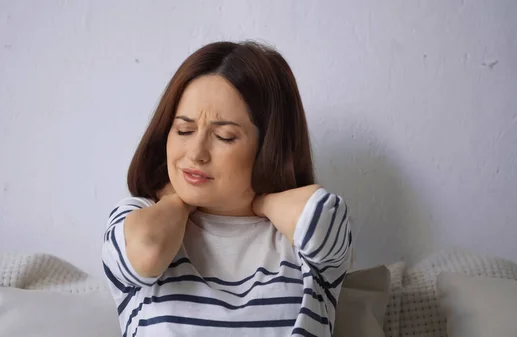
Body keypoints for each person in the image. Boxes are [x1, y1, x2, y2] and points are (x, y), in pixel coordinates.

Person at [102, 41, 352, 337]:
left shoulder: (302, 242)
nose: (196, 153)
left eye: (224, 136)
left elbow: (321, 216)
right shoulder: (137, 218)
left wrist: (260, 201)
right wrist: (177, 201)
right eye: (184, 130)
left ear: (269, 146)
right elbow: (147, 250)